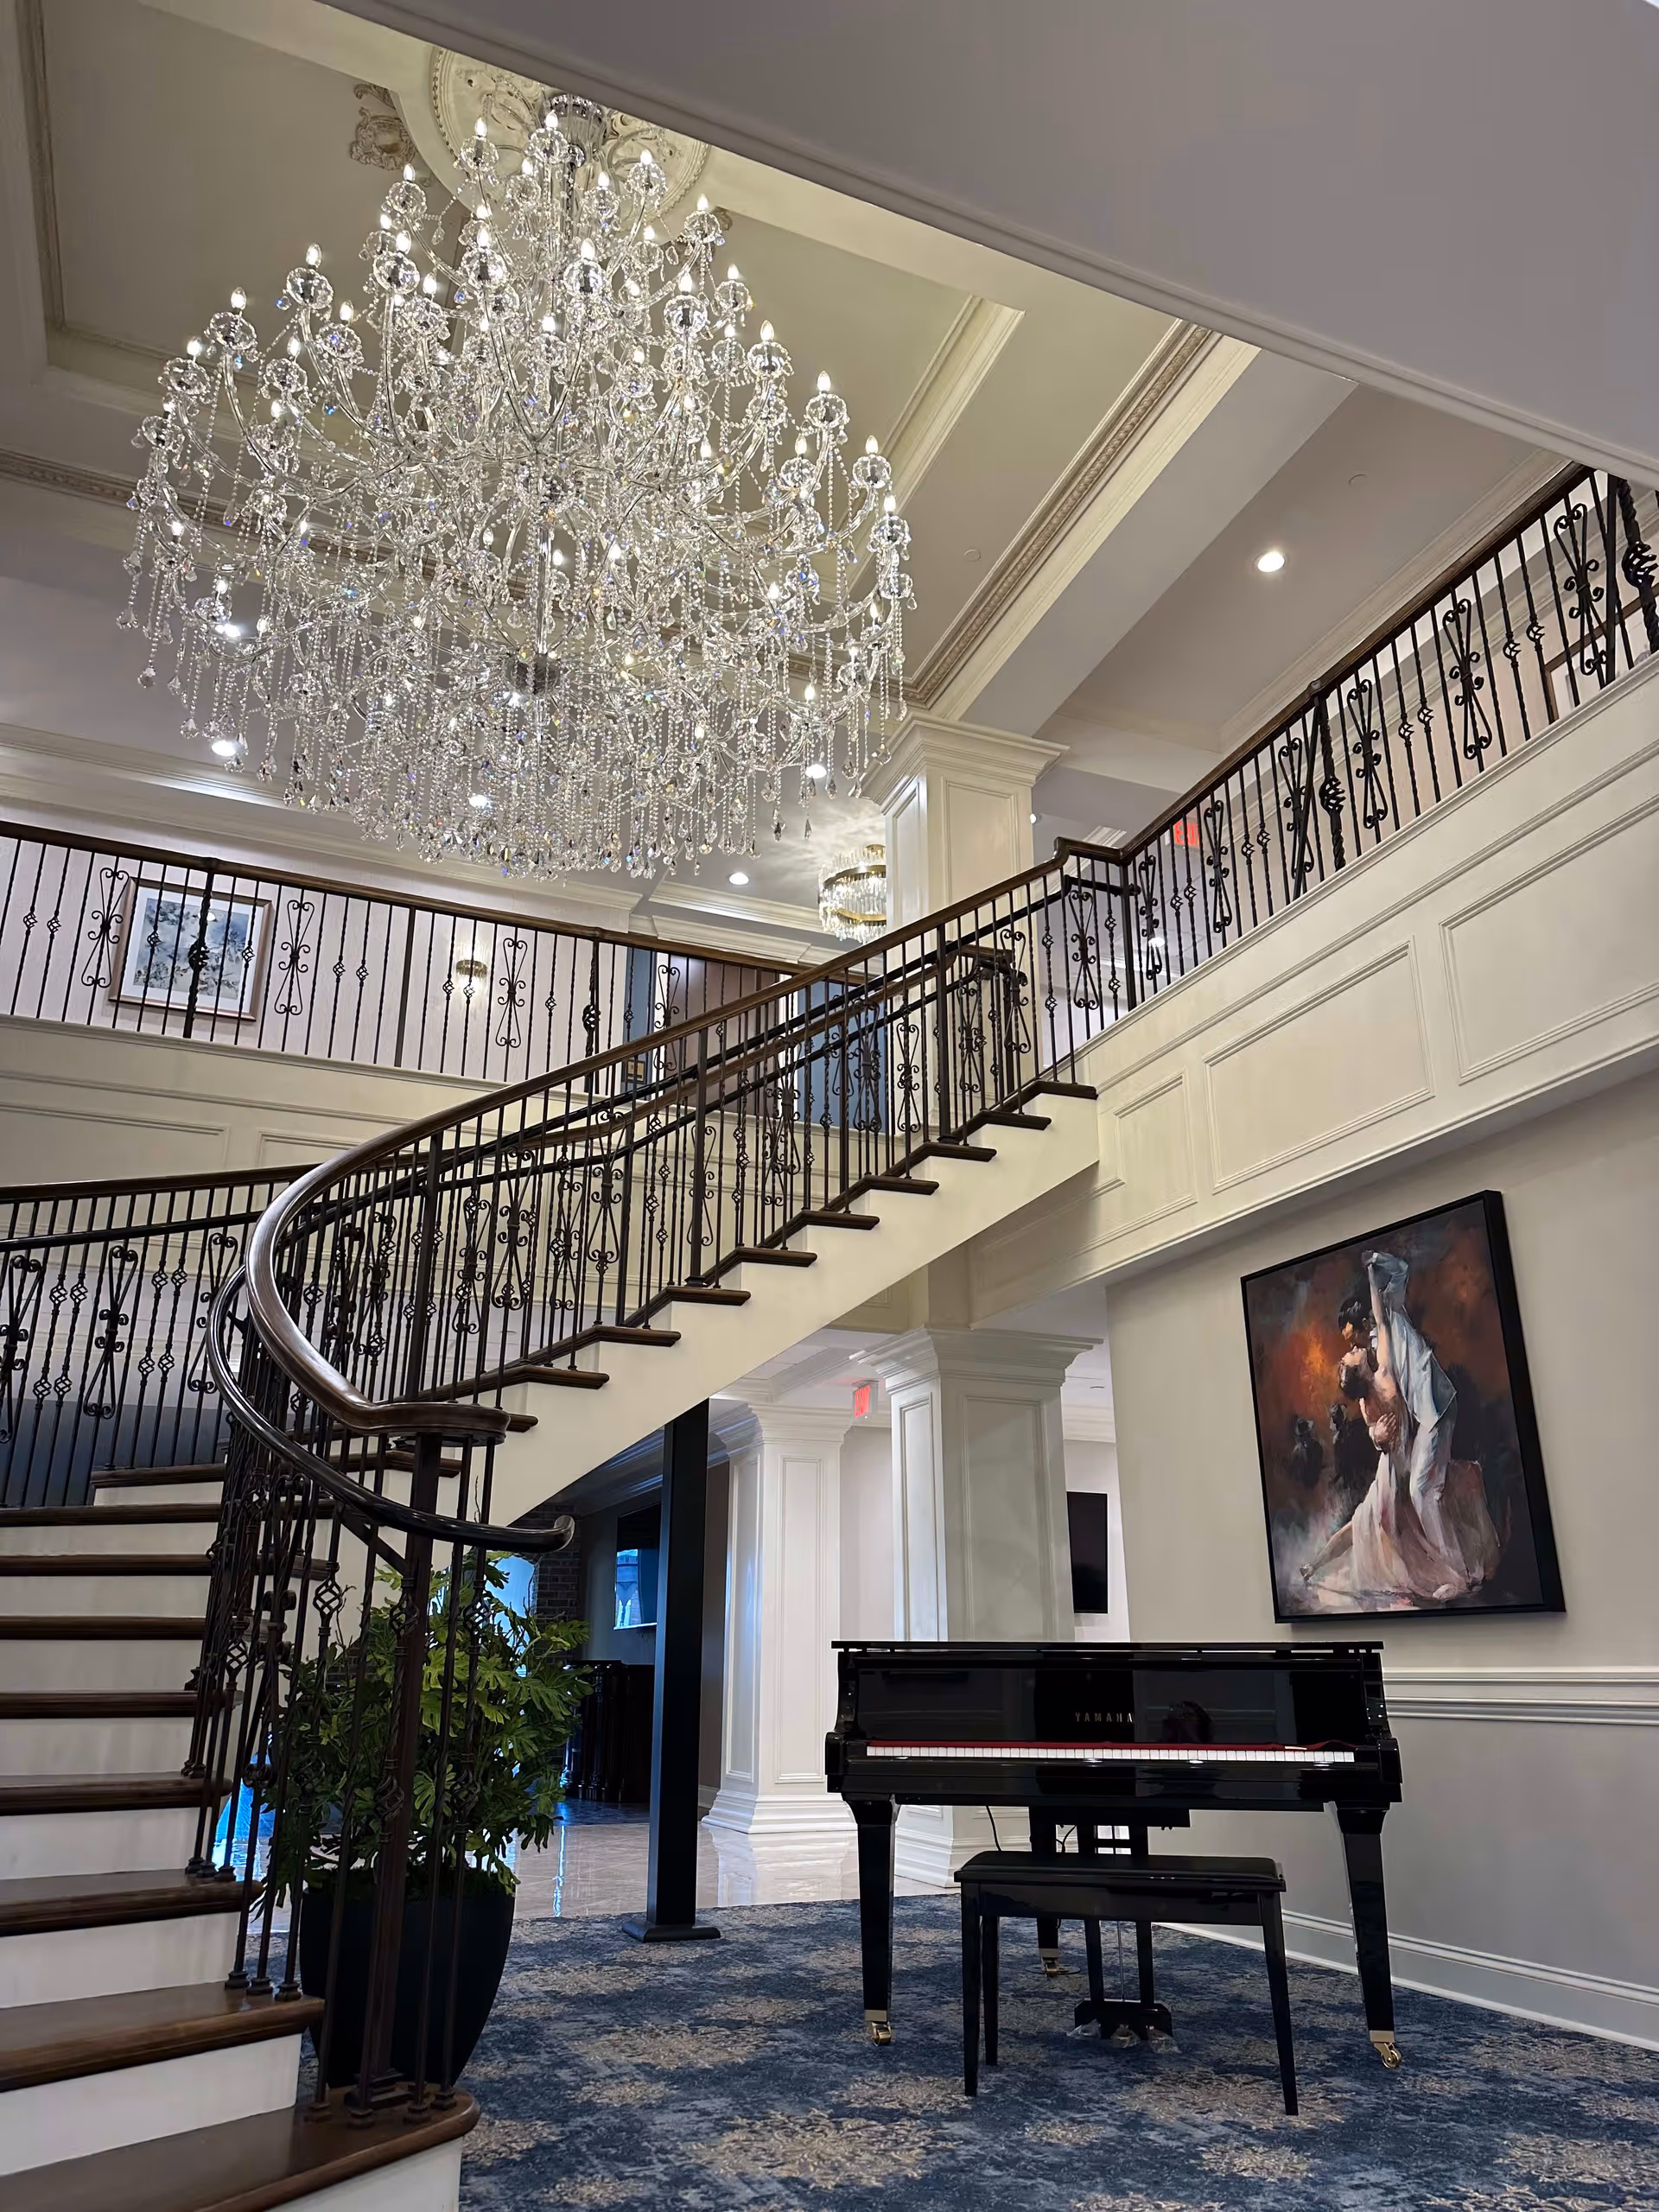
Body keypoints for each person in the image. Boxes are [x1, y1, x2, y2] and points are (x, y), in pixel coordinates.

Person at [1301, 1250, 1499, 1605]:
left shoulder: (1387, 1335)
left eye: (1351, 1340)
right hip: (1404, 1446)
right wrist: (1376, 1436)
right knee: (1388, 1514)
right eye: (1350, 1348)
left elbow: (1389, 1293)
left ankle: (1459, 1573)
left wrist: (1373, 1266)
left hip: (1432, 1412)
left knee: (1422, 1492)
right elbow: (1372, 1422)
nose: (1350, 1347)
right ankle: (1451, 1568)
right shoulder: (1373, 1372)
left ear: (1363, 1327)